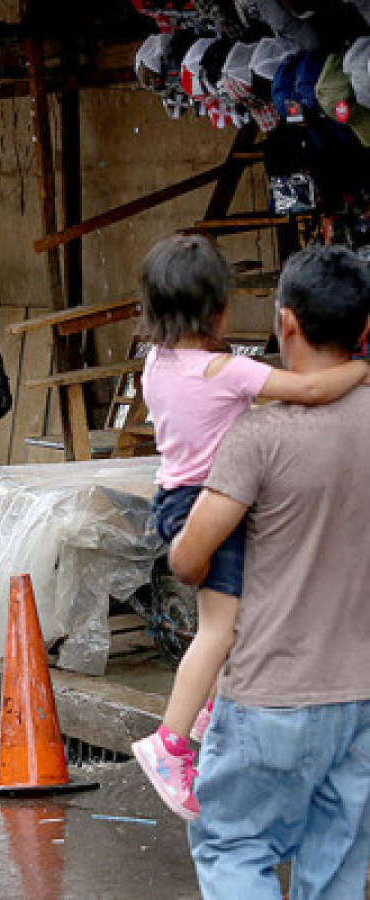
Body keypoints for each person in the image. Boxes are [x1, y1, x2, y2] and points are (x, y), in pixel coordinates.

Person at [129, 236, 369, 822]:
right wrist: (361, 367)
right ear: (219, 311)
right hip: (207, 504)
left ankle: (209, 716)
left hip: (172, 497)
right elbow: (312, 388)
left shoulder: (156, 364)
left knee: (232, 627)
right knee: (219, 628)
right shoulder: (226, 370)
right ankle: (171, 743)